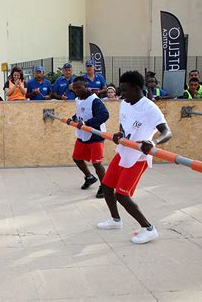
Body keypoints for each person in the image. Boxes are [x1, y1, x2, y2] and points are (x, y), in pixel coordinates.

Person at [97, 71, 172, 244]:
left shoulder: (150, 108)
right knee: (107, 186)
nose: (121, 94)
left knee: (122, 195)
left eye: (124, 91)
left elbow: (167, 132)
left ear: (137, 89)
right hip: (124, 151)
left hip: (138, 156)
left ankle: (149, 228)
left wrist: (153, 142)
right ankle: (115, 220)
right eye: (120, 90)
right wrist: (120, 134)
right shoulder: (125, 102)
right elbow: (124, 125)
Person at [69, 76, 109, 199]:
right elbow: (80, 113)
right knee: (77, 158)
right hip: (82, 135)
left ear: (87, 87)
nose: (76, 90)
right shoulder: (78, 99)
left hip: (95, 135)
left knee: (97, 163)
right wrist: (73, 118)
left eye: (79, 88)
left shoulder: (95, 101)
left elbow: (104, 115)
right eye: (74, 88)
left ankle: (105, 186)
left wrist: (87, 123)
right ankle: (89, 177)